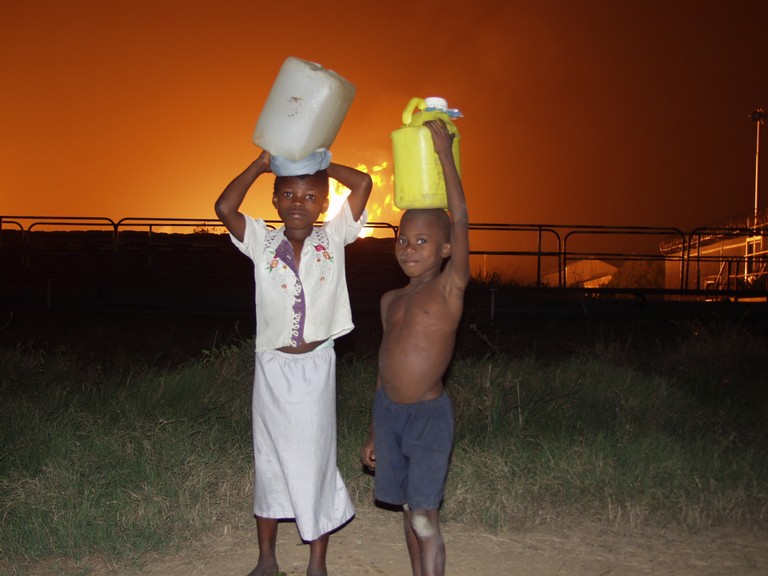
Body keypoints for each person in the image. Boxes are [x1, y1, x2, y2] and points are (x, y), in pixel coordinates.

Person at [215, 150, 372, 576]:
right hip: (272, 367)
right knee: (269, 460)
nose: (298, 202)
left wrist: (324, 166)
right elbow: (224, 208)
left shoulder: (333, 237)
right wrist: (260, 164)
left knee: (315, 460)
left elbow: (362, 184)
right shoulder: (261, 240)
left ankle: (316, 562)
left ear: (323, 203)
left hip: (316, 368)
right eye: (288, 193)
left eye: (309, 195)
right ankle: (267, 560)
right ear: (275, 201)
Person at [360, 119, 469, 576]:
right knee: (407, 510)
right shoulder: (391, 300)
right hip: (390, 414)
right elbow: (384, 370)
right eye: (403, 240)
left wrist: (444, 156)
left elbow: (460, 217)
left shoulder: (450, 289)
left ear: (446, 249)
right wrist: (373, 429)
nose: (409, 248)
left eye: (423, 241)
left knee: (425, 516)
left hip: (427, 418)